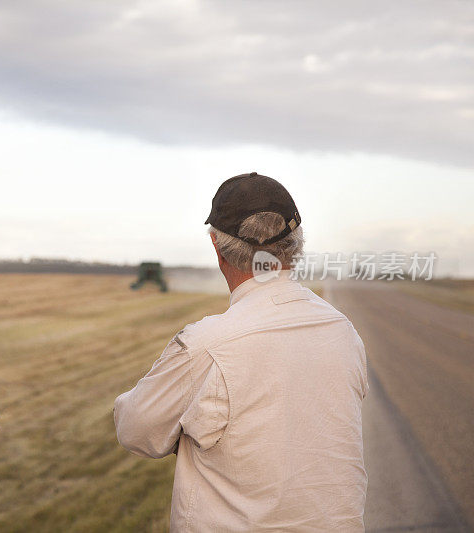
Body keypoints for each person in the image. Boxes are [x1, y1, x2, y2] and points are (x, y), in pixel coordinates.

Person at [114, 172, 368, 531]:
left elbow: (135, 430)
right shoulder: (343, 333)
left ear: (218, 249)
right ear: (296, 245)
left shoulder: (206, 346)